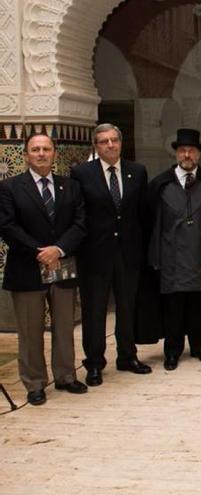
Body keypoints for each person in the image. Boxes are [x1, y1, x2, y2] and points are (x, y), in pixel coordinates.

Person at [0, 133, 87, 405]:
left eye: (46, 149)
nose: (41, 153)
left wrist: (58, 250)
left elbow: (80, 223)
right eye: (35, 149)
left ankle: (65, 376)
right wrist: (41, 252)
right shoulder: (10, 187)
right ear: (26, 155)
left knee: (64, 325)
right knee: (30, 329)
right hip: (27, 268)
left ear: (54, 153)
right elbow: (7, 226)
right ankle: (35, 383)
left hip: (62, 265)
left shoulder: (70, 186)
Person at [71, 123, 151, 385]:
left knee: (127, 307)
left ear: (121, 142)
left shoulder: (136, 172)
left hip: (128, 253)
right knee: (94, 310)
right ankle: (94, 363)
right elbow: (78, 215)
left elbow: (142, 214)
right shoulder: (82, 174)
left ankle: (127, 356)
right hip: (94, 255)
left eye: (114, 140)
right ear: (96, 145)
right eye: (104, 141)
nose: (110, 145)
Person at [146, 128, 201, 371]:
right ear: (176, 154)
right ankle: (172, 351)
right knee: (173, 307)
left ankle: (199, 346)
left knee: (198, 305)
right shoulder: (159, 185)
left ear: (199, 154)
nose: (187, 154)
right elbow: (151, 224)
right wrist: (155, 255)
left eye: (191, 150)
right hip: (171, 257)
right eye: (182, 150)